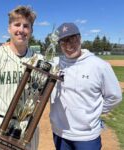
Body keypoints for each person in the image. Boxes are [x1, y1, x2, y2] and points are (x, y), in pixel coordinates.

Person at [49, 22, 122, 150]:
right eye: (64, 41)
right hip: (59, 133)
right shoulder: (55, 63)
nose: (69, 45)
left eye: (73, 39)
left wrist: (93, 113)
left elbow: (115, 97)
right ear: (59, 44)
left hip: (87, 137)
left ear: (80, 38)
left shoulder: (99, 66)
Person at [0, 5, 40, 150]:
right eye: (17, 24)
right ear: (9, 28)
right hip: (1, 124)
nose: (21, 30)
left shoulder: (39, 59)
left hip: (28, 126)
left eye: (26, 26)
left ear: (31, 30)